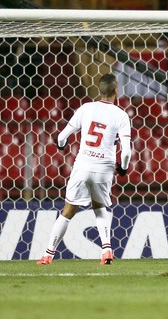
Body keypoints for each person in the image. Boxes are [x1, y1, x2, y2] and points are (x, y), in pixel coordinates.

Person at [36, 74, 131, 265]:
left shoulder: (86, 108)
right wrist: (123, 167)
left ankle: (48, 255)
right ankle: (106, 251)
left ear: (99, 90)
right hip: (104, 168)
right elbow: (127, 150)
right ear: (116, 91)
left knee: (68, 210)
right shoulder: (121, 115)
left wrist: (62, 144)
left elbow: (62, 136)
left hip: (83, 165)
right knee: (101, 207)